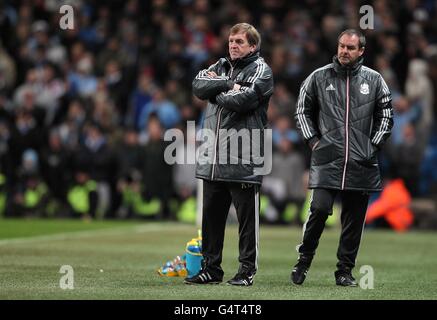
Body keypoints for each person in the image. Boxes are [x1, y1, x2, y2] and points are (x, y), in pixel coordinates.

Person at [293, 29, 393, 286]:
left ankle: (344, 272)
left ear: (361, 51)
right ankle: (303, 261)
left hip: (362, 161)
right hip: (328, 159)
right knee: (319, 209)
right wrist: (314, 142)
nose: (344, 51)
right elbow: (302, 110)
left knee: (354, 220)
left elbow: (386, 116)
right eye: (341, 46)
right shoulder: (318, 77)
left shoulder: (375, 80)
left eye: (350, 47)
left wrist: (373, 147)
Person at [184, 23, 274, 286]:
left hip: (243, 156)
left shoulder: (262, 70)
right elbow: (198, 86)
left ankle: (246, 271)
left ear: (253, 46)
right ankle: (211, 269)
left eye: (240, 42)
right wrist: (228, 84)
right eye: (231, 41)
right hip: (213, 157)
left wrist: (215, 92)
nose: (233, 45)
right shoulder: (220, 66)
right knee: (211, 218)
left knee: (247, 221)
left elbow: (244, 100)